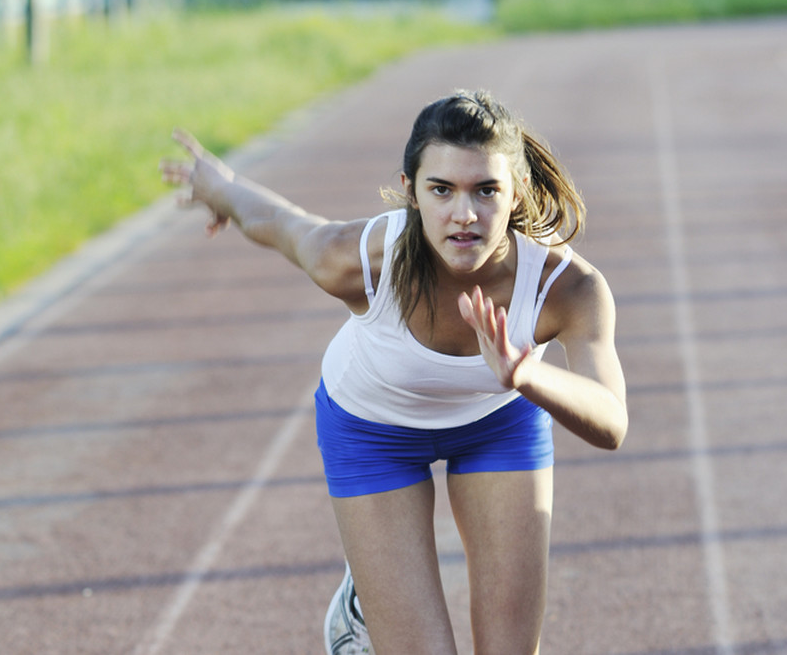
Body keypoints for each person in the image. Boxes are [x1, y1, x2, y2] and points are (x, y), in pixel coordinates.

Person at [161, 90, 627, 655]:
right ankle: (361, 608)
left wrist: (526, 373)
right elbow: (283, 225)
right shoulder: (357, 260)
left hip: (499, 424)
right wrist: (222, 189)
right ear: (410, 191)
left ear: (517, 191)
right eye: (441, 190)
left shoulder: (567, 287)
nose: (465, 214)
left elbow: (611, 422)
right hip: (370, 430)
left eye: (486, 190)